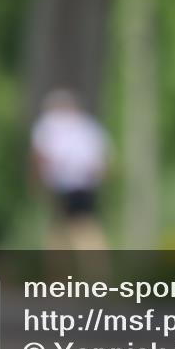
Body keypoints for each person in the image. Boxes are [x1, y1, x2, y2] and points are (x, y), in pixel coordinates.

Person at [30, 89, 111, 250]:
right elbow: (103, 159)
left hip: (63, 183)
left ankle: (60, 271)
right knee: (80, 228)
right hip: (84, 183)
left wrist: (37, 182)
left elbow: (39, 156)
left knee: (65, 229)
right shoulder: (88, 125)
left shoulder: (49, 124)